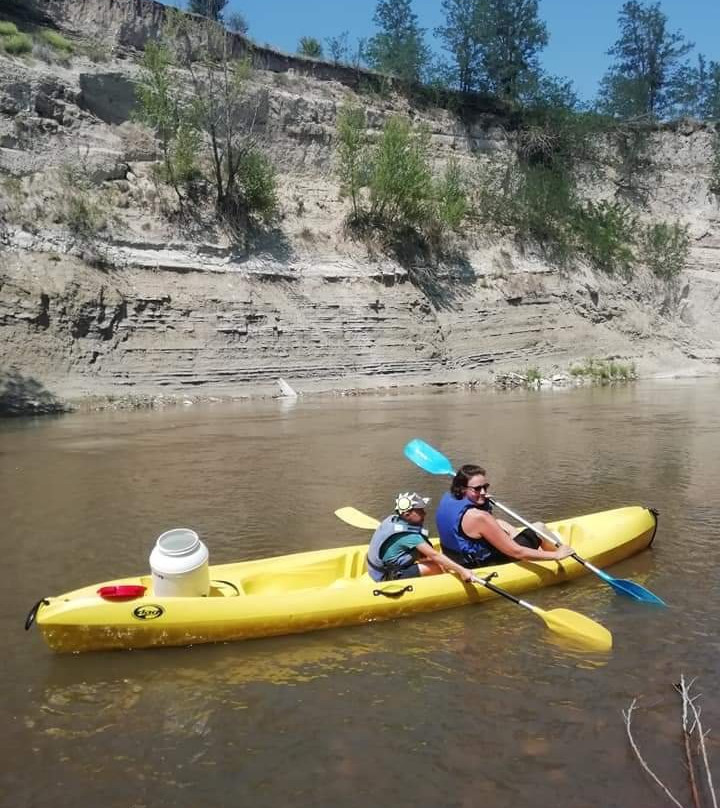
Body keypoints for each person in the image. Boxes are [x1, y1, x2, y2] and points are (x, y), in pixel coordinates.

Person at [435, 464, 574, 568]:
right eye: (477, 489)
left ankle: (533, 547)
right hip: (481, 564)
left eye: (485, 487)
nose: (483, 492)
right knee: (539, 527)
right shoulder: (479, 517)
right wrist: (555, 555)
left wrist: (481, 501)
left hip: (454, 558)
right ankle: (563, 559)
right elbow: (517, 552)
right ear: (463, 489)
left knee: (501, 523)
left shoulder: (449, 497)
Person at [367, 492, 478, 583]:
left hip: (378, 570)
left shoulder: (392, 519)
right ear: (407, 514)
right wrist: (462, 571)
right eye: (420, 511)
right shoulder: (410, 536)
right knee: (436, 567)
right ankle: (439, 586)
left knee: (434, 559)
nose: (424, 513)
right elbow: (435, 555)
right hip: (387, 577)